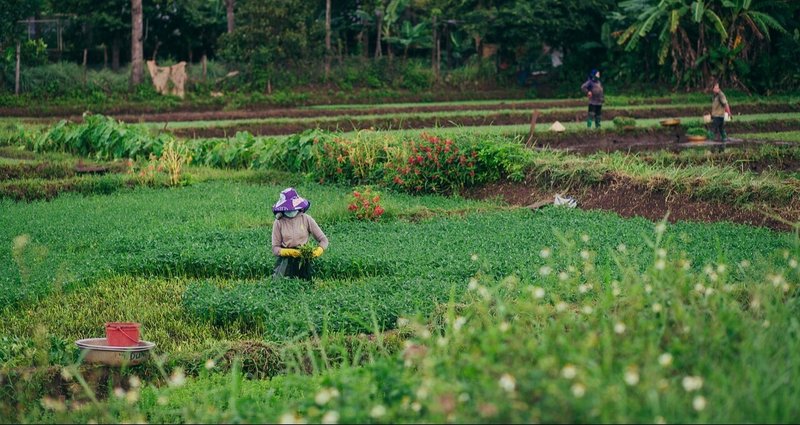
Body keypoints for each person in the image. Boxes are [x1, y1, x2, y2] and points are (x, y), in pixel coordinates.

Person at [271, 187, 329, 280]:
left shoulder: (306, 219)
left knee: (306, 283)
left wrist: (318, 250)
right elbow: (275, 248)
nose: (291, 211)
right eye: (288, 209)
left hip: (304, 256)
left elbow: (323, 240)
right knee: (282, 283)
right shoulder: (279, 222)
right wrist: (288, 252)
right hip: (286, 259)